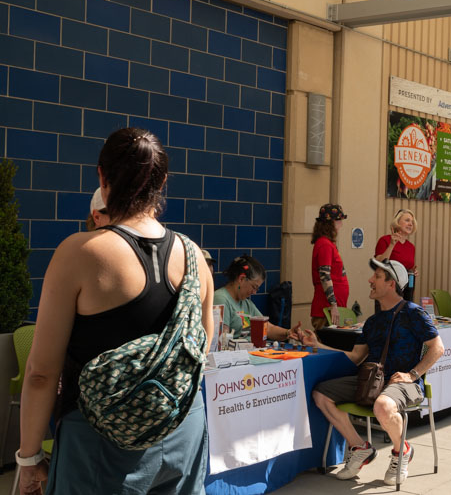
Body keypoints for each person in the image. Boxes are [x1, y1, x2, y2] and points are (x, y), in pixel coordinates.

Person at [18, 127, 214, 494]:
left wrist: (29, 459)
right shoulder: (194, 257)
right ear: (163, 181)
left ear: (101, 176)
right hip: (183, 431)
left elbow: (42, 372)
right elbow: (200, 349)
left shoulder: (80, 253)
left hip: (99, 443)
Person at [306, 258, 444, 486]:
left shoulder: (413, 312)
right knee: (321, 395)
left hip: (404, 383)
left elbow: (437, 348)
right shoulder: (372, 322)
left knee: (383, 405)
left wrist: (413, 375)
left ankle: (402, 451)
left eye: (377, 277)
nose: (370, 280)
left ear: (392, 284)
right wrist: (317, 344)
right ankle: (359, 446)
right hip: (372, 380)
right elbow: (355, 356)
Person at [213, 254, 297, 341]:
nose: (254, 292)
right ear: (241, 279)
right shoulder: (220, 299)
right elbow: (222, 338)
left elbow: (267, 328)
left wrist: (288, 332)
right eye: (254, 287)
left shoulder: (246, 303)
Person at [311, 203, 350, 329]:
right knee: (327, 345)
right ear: (330, 223)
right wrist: (333, 305)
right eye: (339, 220)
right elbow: (325, 276)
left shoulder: (327, 244)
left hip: (330, 309)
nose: (341, 224)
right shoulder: (325, 245)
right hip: (327, 310)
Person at [375, 209, 418, 302]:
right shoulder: (384, 240)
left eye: (412, 222)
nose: (410, 224)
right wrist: (391, 245)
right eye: (407, 220)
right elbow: (379, 264)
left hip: (406, 292)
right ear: (397, 222)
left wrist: (413, 272)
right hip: (387, 290)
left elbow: (407, 267)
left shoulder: (411, 247)